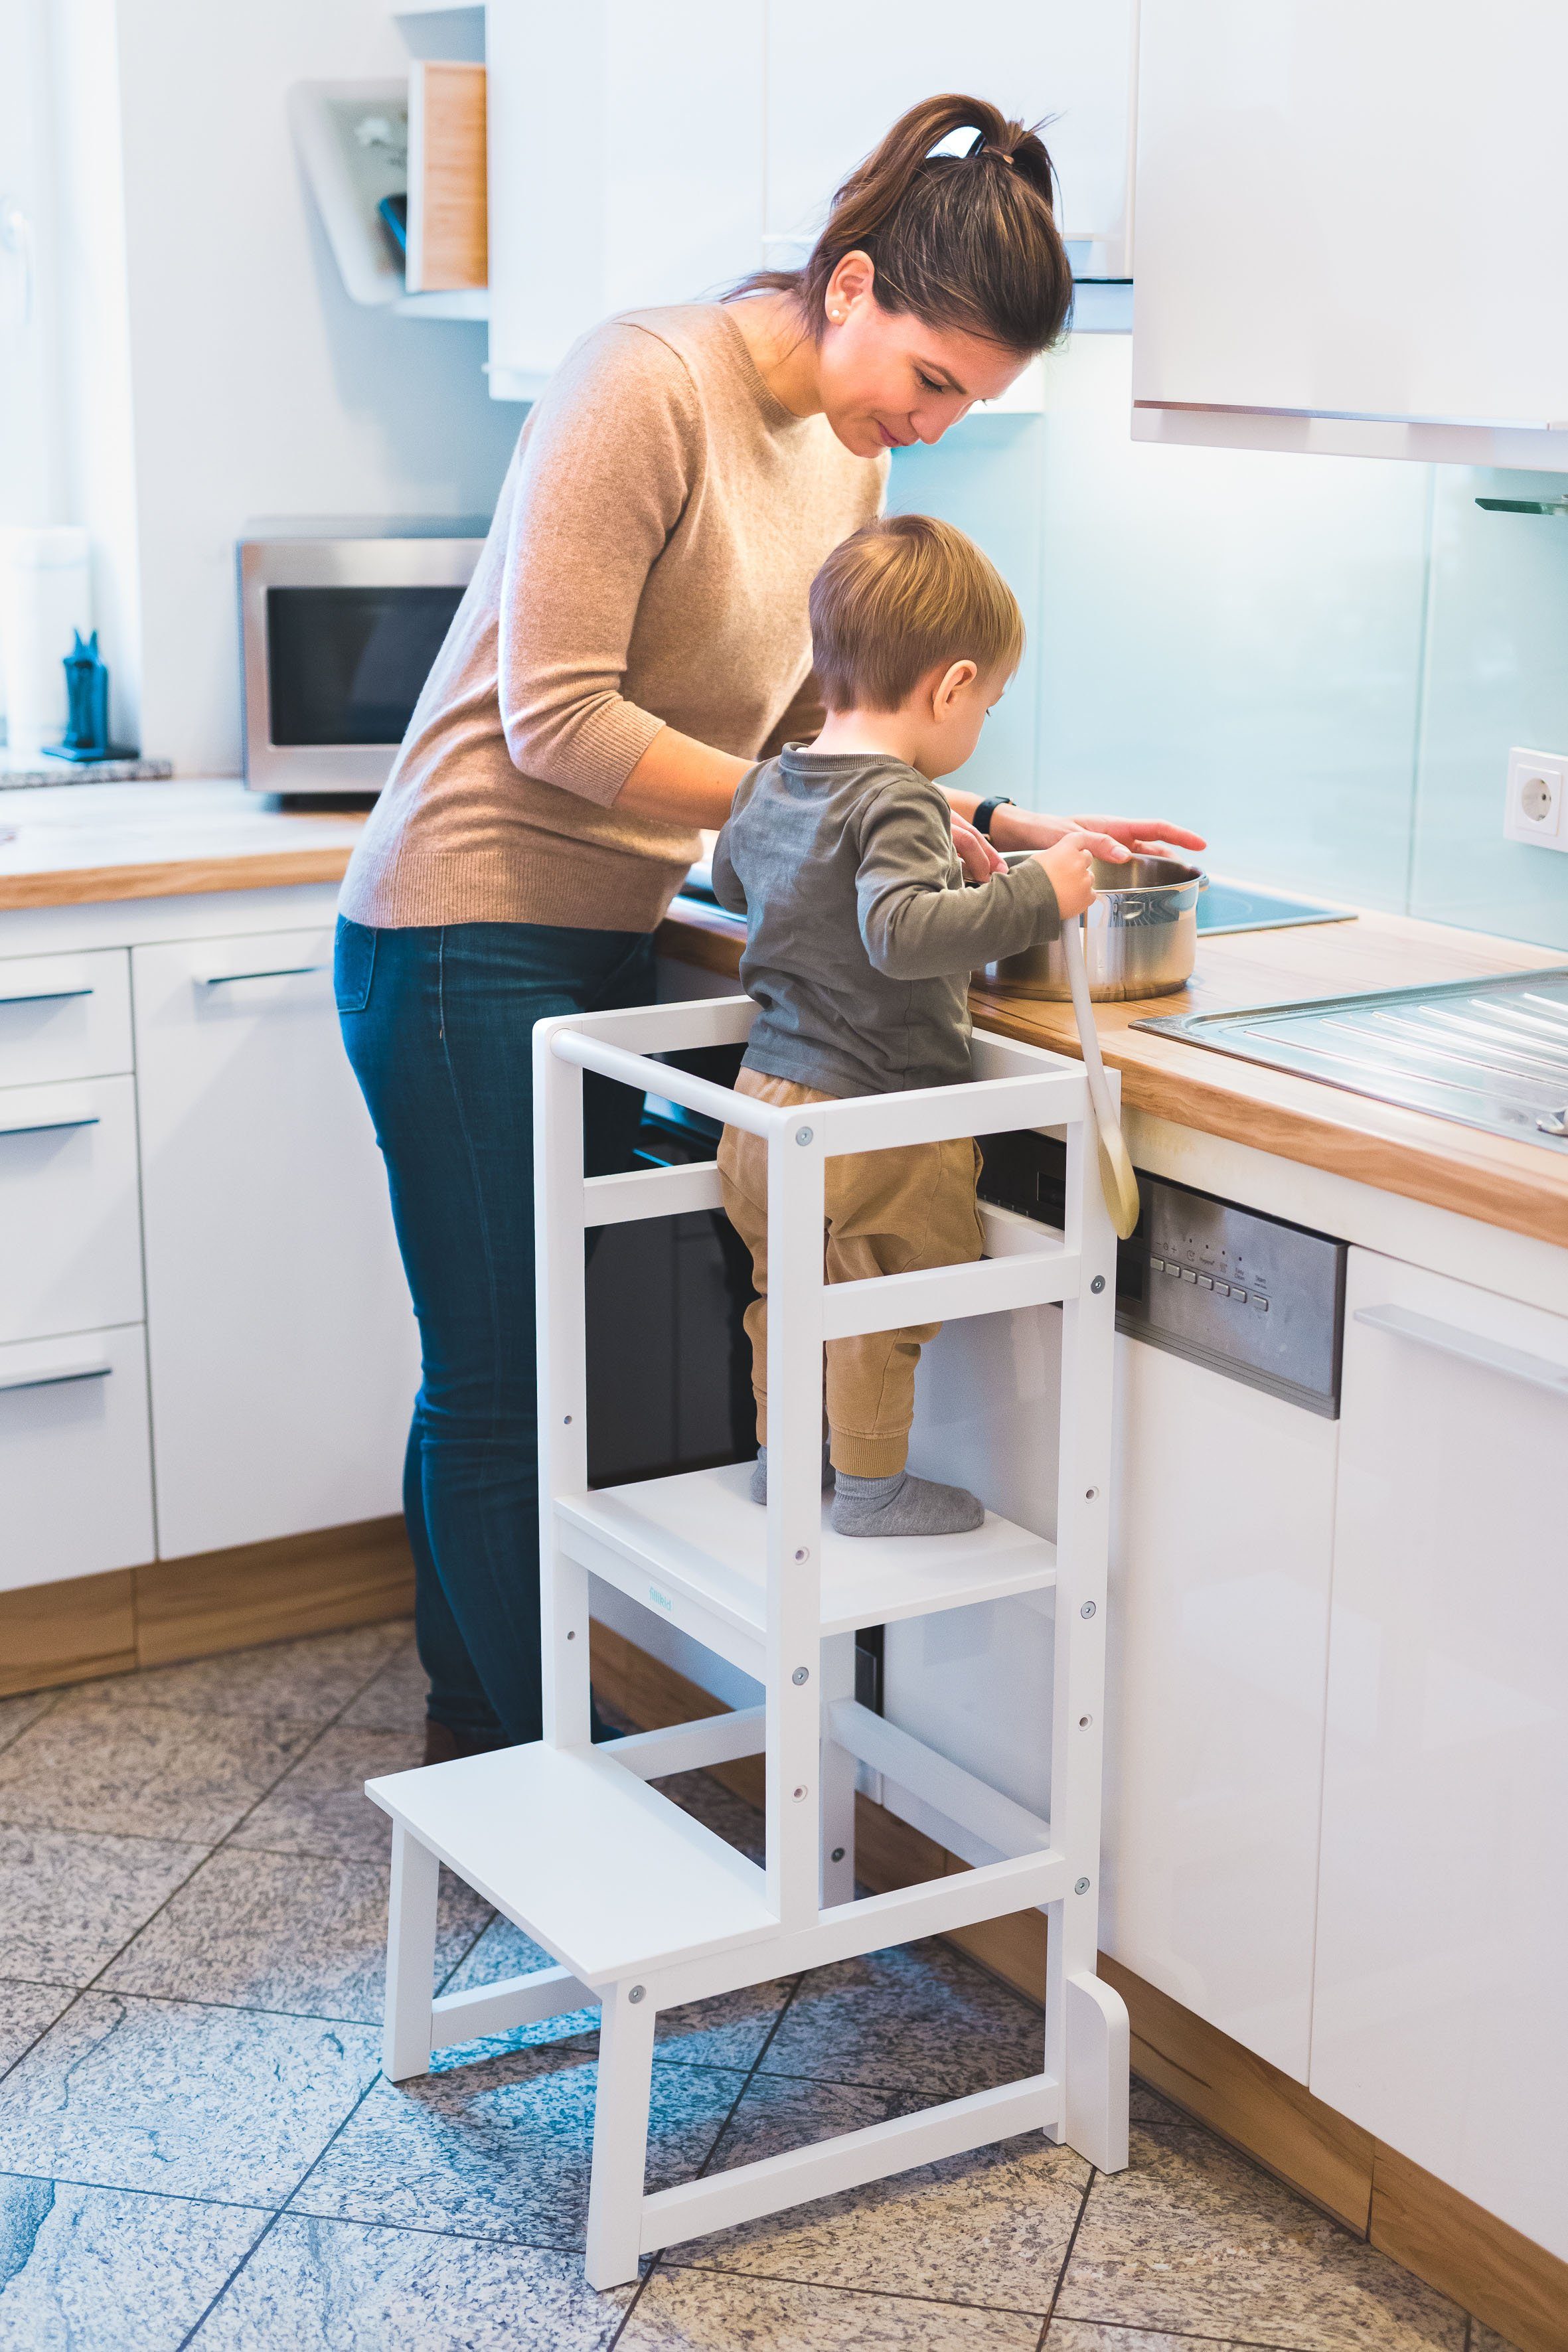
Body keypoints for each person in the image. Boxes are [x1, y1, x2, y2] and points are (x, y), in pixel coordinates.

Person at [335, 91, 1204, 1761]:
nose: (937, 427)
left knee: (512, 1369)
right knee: (508, 1379)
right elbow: (558, 722)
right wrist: (814, 815)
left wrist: (1003, 824)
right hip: (455, 930)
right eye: (934, 378)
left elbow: (833, 736)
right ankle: (548, 1777)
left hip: (598, 928)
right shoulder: (639, 383)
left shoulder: (851, 452)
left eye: (975, 401)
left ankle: (476, 1728)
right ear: (854, 283)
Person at [713, 512, 1091, 1536]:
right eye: (991, 702)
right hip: (875, 1116)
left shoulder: (772, 778)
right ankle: (872, 1492)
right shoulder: (902, 798)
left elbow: (732, 877)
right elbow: (900, 935)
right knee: (877, 1312)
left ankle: (781, 1465)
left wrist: (930, 864)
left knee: (783, 1300)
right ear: (950, 685)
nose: (982, 725)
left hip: (763, 1105)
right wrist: (1040, 895)